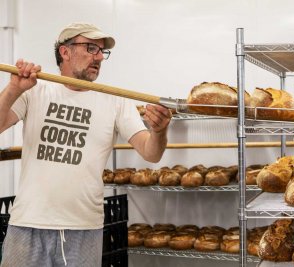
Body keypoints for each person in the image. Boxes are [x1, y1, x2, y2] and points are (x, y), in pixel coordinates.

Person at [0, 22, 172, 267]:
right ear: (65, 52)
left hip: (83, 228)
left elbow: (151, 153)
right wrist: (13, 89)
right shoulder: (35, 89)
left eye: (102, 51)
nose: (100, 57)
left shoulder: (115, 99)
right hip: (28, 223)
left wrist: (159, 131)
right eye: (91, 48)